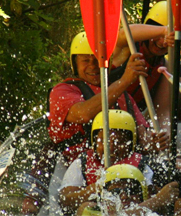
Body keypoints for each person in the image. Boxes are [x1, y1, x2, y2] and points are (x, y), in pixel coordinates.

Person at [22, 28, 168, 215]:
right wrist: (124, 80)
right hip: (71, 166)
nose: (92, 65)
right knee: (32, 205)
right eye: (85, 60)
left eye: (97, 60)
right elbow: (83, 113)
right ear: (75, 63)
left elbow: (142, 137)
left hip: (119, 168)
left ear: (106, 63)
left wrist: (152, 143)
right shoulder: (62, 91)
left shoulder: (124, 97)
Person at [60, 110, 159, 212]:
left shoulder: (142, 165)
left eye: (119, 142)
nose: (110, 148)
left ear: (130, 144)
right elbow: (65, 201)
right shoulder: (82, 163)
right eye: (103, 141)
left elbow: (152, 200)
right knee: (86, 207)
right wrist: (93, 190)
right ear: (94, 141)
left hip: (129, 212)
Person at [76, 164, 181, 216]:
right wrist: (157, 200)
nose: (124, 196)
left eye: (131, 190)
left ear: (143, 194)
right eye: (115, 192)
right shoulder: (89, 209)